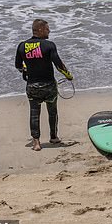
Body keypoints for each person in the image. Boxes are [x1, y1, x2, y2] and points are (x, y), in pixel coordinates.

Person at [15, 19, 73, 151]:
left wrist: (26, 69)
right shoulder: (49, 45)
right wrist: (68, 75)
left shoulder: (22, 46)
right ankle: (53, 137)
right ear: (40, 29)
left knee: (34, 113)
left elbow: (18, 66)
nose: (49, 31)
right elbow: (59, 65)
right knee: (52, 112)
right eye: (47, 29)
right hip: (49, 86)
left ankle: (36, 143)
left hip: (32, 86)